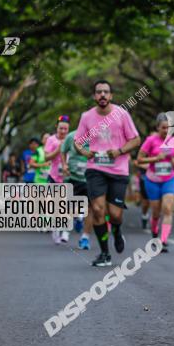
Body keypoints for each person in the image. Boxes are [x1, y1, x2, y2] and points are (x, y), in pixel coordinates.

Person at [74, 80, 141, 267]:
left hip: (118, 170)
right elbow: (78, 141)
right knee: (97, 210)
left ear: (111, 96)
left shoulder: (121, 114)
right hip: (95, 169)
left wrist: (119, 151)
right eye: (98, 92)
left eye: (106, 92)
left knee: (115, 215)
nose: (102, 95)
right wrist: (85, 152)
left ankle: (117, 230)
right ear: (94, 96)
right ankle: (104, 253)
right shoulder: (86, 117)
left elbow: (136, 139)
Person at [136, 114, 174, 250]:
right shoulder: (150, 140)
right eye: (163, 128)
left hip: (169, 179)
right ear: (157, 128)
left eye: (169, 128)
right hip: (153, 180)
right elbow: (139, 159)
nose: (166, 130)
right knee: (156, 212)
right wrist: (155, 158)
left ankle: (163, 240)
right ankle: (155, 235)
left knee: (167, 209)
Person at [62, 123, 93, 250]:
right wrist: (64, 165)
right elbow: (63, 151)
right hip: (73, 177)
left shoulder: (97, 137)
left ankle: (85, 238)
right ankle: (66, 229)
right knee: (70, 205)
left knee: (90, 208)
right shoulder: (71, 136)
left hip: (91, 177)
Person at [43, 116, 71, 244]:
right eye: (61, 128)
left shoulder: (72, 139)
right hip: (54, 176)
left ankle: (65, 231)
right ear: (57, 127)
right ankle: (55, 229)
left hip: (68, 177)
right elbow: (46, 158)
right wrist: (58, 150)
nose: (63, 131)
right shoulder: (51, 140)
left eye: (65, 128)